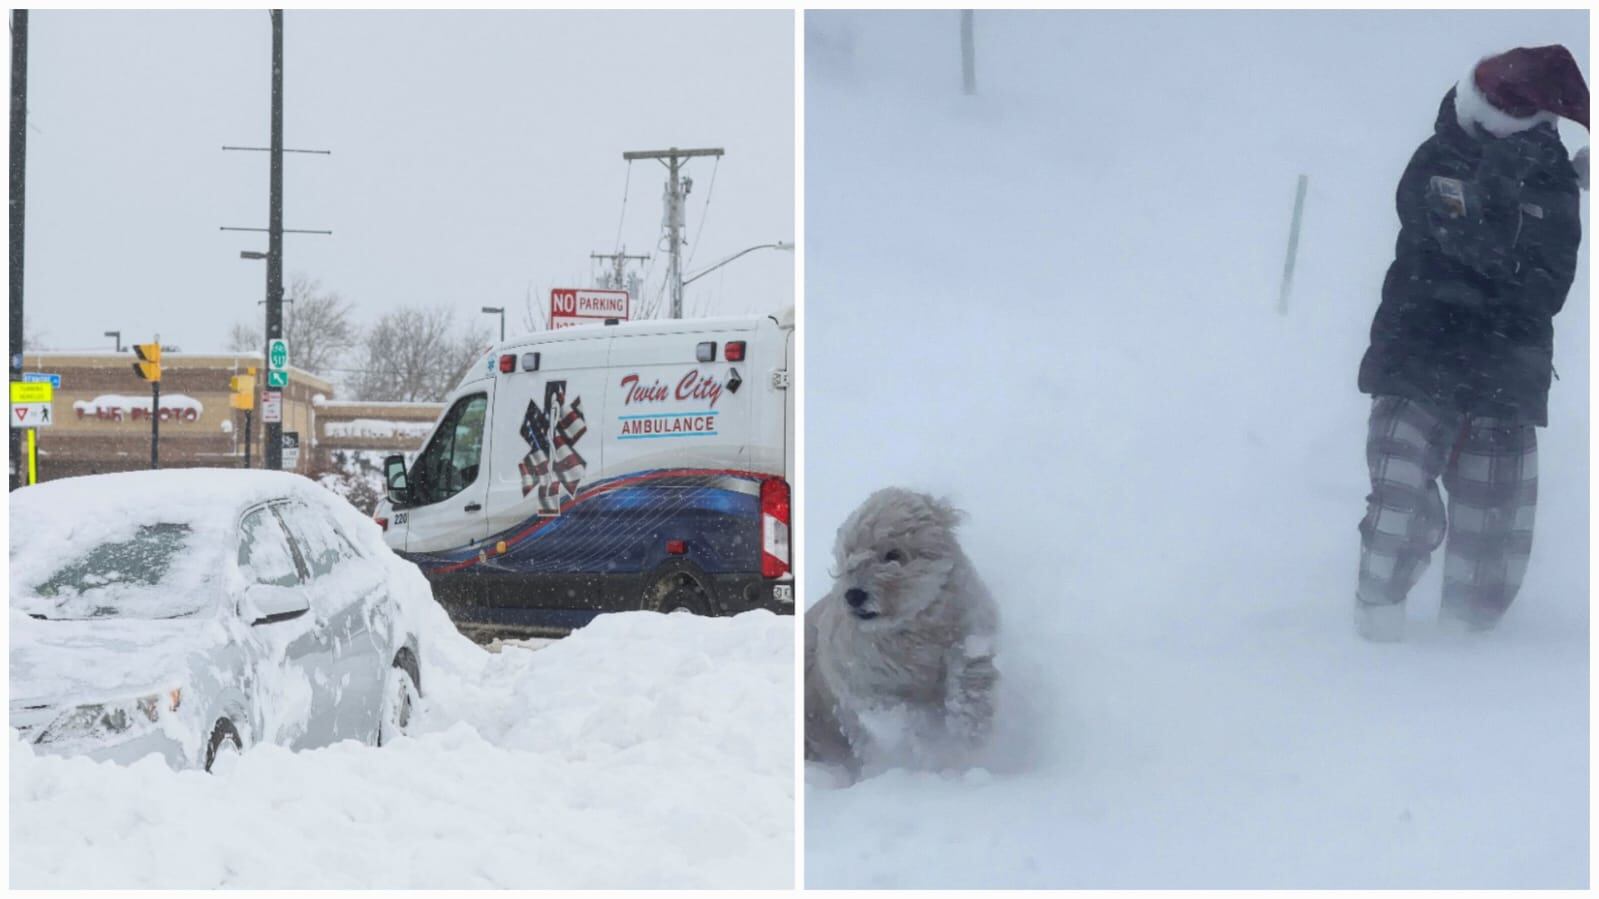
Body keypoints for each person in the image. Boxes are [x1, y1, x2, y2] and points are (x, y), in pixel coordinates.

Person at [1355, 45, 1588, 642]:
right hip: (1419, 357)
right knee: (1399, 503)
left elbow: (1545, 286)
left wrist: (1528, 191)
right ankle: (1373, 639)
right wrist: (1503, 189)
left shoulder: (1554, 186)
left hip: (1507, 374)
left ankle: (1472, 664)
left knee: (1494, 537)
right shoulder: (1436, 158)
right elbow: (1449, 245)